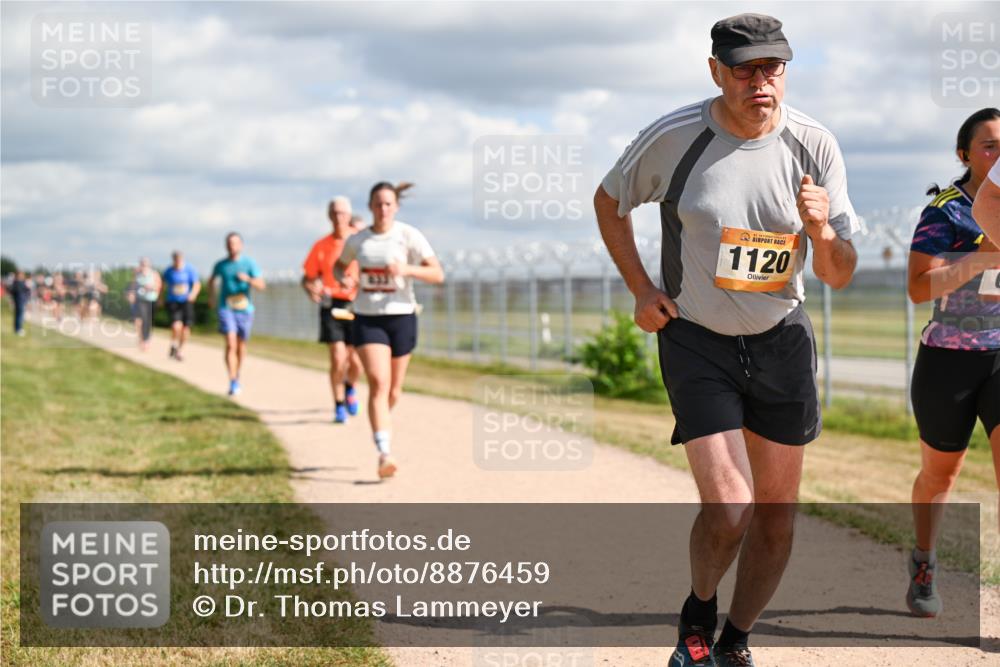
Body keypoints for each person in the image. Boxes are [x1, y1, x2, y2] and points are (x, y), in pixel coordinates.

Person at [594, 14, 859, 667]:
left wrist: (822, 232)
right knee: (732, 506)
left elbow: (838, 273)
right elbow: (608, 200)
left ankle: (736, 639)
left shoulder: (815, 144)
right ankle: (698, 612)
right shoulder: (675, 137)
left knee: (776, 515)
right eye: (745, 69)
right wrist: (641, 288)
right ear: (716, 72)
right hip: (697, 339)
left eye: (773, 67)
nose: (760, 81)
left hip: (781, 339)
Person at [906, 108, 1000, 618]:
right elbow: (919, 288)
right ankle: (924, 560)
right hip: (949, 360)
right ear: (964, 155)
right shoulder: (946, 212)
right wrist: (980, 259)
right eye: (990, 145)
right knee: (940, 477)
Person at [335, 182, 444, 479]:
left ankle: (380, 418)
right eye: (378, 204)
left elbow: (437, 273)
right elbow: (339, 266)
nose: (383, 209)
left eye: (388, 204)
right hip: (368, 317)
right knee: (378, 382)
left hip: (402, 316)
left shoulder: (409, 235)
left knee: (394, 390)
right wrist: (344, 278)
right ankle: (384, 453)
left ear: (396, 207)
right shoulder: (359, 240)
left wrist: (407, 270)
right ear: (370, 206)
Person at [302, 196, 362, 423]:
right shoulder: (321, 245)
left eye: (343, 213)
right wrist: (311, 288)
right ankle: (338, 404)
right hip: (332, 305)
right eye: (335, 213)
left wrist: (356, 282)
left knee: (356, 361)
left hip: (357, 304)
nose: (339, 217)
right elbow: (308, 277)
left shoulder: (359, 241)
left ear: (349, 215)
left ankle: (350, 387)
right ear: (329, 216)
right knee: (338, 357)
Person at [209, 232, 265, 396]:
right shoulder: (221, 265)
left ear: (241, 245)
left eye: (235, 243)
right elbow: (212, 280)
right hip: (226, 308)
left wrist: (248, 279)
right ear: (225, 246)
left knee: (241, 346)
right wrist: (212, 297)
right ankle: (232, 380)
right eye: (229, 243)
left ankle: (236, 372)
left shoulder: (249, 263)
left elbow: (261, 285)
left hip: (245, 309)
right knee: (231, 343)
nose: (232, 246)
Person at [161, 251, 201, 362]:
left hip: (186, 301)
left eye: (179, 259)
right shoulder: (169, 271)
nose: (177, 261)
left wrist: (193, 294)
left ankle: (180, 350)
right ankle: (174, 343)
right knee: (176, 326)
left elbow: (196, 284)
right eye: (175, 259)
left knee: (186, 329)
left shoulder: (189, 269)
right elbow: (162, 284)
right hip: (173, 301)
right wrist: (160, 298)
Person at [132, 258, 161, 351]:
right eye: (142, 264)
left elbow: (159, 285)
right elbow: (133, 285)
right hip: (140, 299)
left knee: (149, 320)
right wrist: (132, 294)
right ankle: (143, 339)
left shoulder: (154, 274)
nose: (144, 266)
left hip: (151, 299)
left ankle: (147, 339)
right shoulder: (137, 273)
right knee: (142, 319)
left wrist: (152, 287)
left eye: (145, 264)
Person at [8, 271, 32, 336]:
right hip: (19, 301)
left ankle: (17, 329)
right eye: (21, 274)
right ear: (18, 275)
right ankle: (18, 329)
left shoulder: (17, 282)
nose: (23, 276)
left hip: (20, 301)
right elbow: (18, 292)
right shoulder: (18, 283)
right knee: (19, 315)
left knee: (18, 315)